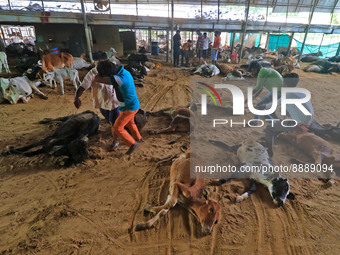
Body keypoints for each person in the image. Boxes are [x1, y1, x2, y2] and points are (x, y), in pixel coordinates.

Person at [74, 51, 120, 150]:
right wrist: (76, 98)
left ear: (106, 61)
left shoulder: (111, 69)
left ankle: (115, 141)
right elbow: (83, 86)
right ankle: (114, 127)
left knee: (115, 122)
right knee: (109, 119)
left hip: (115, 101)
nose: (100, 66)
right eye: (98, 64)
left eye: (102, 63)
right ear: (95, 63)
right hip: (102, 102)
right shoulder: (93, 73)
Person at [95, 61, 142, 155]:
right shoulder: (124, 72)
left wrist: (98, 73)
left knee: (117, 128)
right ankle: (139, 139)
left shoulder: (118, 79)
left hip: (128, 108)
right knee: (130, 122)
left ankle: (133, 144)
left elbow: (98, 79)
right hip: (132, 104)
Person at [263, 73, 314, 155]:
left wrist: (262, 106)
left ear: (285, 84)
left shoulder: (288, 94)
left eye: (283, 82)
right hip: (309, 122)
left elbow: (273, 105)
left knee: (269, 128)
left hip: (300, 125)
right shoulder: (300, 91)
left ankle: (269, 150)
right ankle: (274, 136)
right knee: (280, 118)